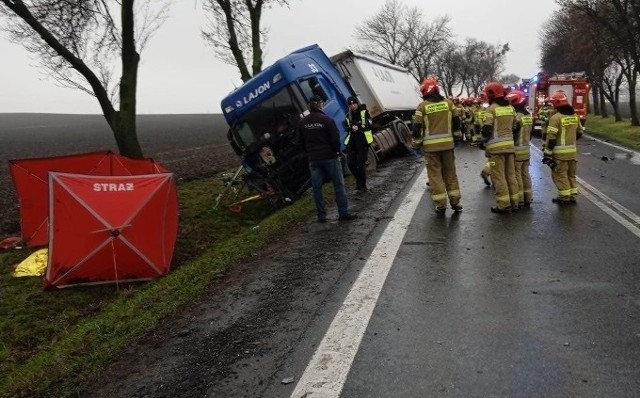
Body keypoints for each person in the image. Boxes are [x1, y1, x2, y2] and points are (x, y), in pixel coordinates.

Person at [298, 95, 357, 222]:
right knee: (338, 185)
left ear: (309, 106)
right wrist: (336, 151)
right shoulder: (326, 120)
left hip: (313, 159)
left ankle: (321, 216)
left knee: (317, 188)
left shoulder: (302, 123)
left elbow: (300, 142)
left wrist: (309, 153)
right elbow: (335, 138)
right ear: (320, 105)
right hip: (330, 157)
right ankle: (343, 213)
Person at [412, 78, 462, 214]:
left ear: (425, 92)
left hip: (431, 149)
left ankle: (441, 205)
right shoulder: (449, 104)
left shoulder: (422, 107)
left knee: (435, 176)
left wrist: (416, 145)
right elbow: (457, 124)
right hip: (447, 146)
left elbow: (416, 129)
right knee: (451, 174)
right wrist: (456, 139)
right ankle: (455, 203)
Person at [481, 81, 519, 213]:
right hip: (510, 147)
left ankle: (503, 204)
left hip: (495, 150)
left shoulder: (491, 109)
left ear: (491, 94)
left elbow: (486, 130)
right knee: (511, 175)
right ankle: (515, 202)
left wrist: (482, 141)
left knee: (498, 177)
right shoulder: (511, 108)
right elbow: (516, 126)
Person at [543, 90, 583, 205]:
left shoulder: (556, 118)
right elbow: (580, 132)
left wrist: (547, 153)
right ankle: (571, 196)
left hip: (559, 154)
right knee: (571, 174)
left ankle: (564, 197)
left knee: (560, 175)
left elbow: (551, 139)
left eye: (553, 103)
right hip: (572, 152)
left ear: (557, 103)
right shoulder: (575, 116)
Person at [506, 89, 533, 207]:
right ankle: (528, 198)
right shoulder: (528, 115)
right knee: (525, 173)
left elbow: (512, 131)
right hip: (526, 149)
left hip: (517, 149)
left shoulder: (517, 116)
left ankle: (520, 198)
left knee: (516, 175)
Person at [343, 96, 373, 193]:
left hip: (363, 140)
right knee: (350, 163)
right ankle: (358, 181)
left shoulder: (364, 112)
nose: (352, 106)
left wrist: (359, 127)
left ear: (357, 103)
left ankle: (363, 185)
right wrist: (350, 127)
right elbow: (345, 127)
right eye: (350, 104)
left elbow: (369, 124)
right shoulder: (348, 116)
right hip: (352, 141)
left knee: (360, 163)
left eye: (354, 103)